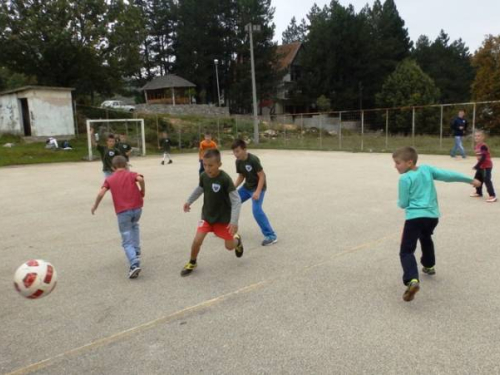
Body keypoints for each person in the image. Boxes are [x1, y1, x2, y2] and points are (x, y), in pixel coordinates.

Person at [393, 147, 480, 302]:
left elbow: (403, 203)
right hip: (432, 217)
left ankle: (412, 280)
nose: (395, 166)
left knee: (406, 251)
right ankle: (429, 265)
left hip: (415, 217)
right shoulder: (426, 169)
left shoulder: (405, 179)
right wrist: (470, 180)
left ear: (409, 162)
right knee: (426, 237)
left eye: (398, 163)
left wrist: (401, 202)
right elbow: (448, 175)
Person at [181, 149, 244, 277]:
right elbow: (199, 189)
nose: (207, 168)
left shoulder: (225, 179)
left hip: (223, 219)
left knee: (229, 247)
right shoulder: (204, 176)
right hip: (207, 216)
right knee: (197, 240)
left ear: (219, 164)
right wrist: (189, 201)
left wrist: (233, 222)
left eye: (210, 165)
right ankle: (192, 262)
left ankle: (237, 241)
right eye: (204, 165)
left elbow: (236, 201)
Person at [91, 156, 145, 279]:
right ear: (126, 165)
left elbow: (101, 192)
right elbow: (140, 179)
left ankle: (134, 263)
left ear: (112, 167)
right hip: (137, 208)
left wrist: (95, 205)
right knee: (135, 225)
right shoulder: (131, 174)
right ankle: (136, 250)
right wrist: (142, 191)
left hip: (123, 211)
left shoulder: (110, 179)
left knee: (126, 237)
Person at [231, 139, 277, 246]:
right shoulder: (238, 161)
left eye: (237, 151)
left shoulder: (253, 160)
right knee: (231, 202)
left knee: (256, 210)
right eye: (234, 151)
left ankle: (271, 236)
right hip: (247, 187)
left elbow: (262, 176)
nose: (235, 154)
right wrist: (232, 188)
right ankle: (226, 228)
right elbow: (241, 176)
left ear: (244, 150)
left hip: (258, 188)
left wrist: (257, 192)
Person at [470, 130, 497, 202]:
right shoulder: (476, 146)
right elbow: (479, 157)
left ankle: (492, 195)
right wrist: (479, 166)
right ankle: (478, 192)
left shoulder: (483, 146)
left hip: (486, 166)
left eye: (479, 136)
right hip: (481, 166)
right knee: (477, 179)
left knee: (487, 180)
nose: (477, 137)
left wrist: (477, 166)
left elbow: (484, 157)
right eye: (475, 136)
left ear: (483, 137)